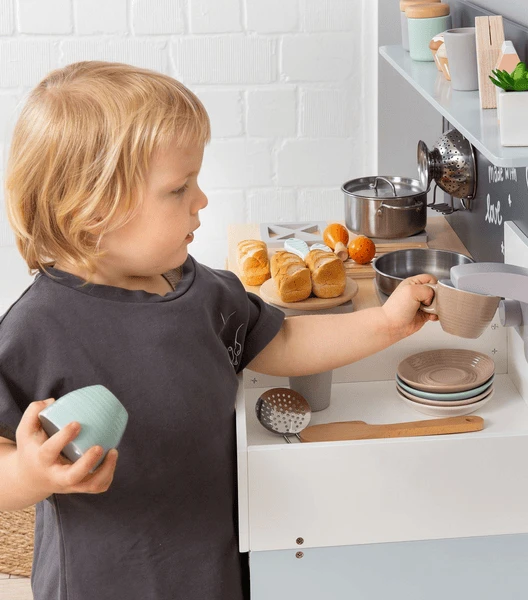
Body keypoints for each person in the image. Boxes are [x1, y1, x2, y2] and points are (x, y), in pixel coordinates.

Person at [0, 61, 437, 600]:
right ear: (95, 209)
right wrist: (29, 474)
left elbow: (282, 341)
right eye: (179, 188)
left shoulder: (198, 291)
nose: (201, 199)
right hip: (100, 584)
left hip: (209, 571)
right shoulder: (37, 329)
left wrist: (386, 324)